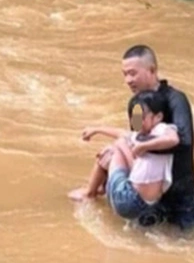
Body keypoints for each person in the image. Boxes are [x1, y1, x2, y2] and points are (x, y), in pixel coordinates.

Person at [71, 44, 194, 231]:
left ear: (152, 70)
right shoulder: (136, 104)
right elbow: (132, 136)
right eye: (124, 74)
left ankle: (95, 191)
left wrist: (142, 147)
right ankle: (95, 191)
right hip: (148, 192)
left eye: (133, 73)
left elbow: (184, 140)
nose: (128, 80)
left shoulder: (176, 99)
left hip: (179, 193)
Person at [69, 91, 178, 225]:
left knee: (113, 149)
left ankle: (90, 193)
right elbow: (123, 133)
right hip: (149, 205)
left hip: (130, 201)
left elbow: (173, 139)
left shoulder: (161, 129)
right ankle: (103, 186)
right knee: (120, 142)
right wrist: (96, 129)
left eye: (141, 117)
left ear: (158, 117)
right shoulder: (141, 134)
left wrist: (142, 147)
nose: (137, 122)